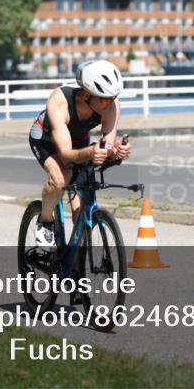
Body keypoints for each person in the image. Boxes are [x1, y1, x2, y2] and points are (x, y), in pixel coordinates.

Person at [28, 60, 132, 250]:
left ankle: (74, 263)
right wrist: (92, 151)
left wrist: (116, 151)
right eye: (104, 99)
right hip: (45, 138)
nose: (110, 103)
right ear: (85, 94)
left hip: (78, 141)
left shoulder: (111, 104)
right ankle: (45, 220)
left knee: (81, 213)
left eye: (113, 97)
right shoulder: (60, 101)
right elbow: (66, 156)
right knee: (61, 179)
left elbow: (107, 146)